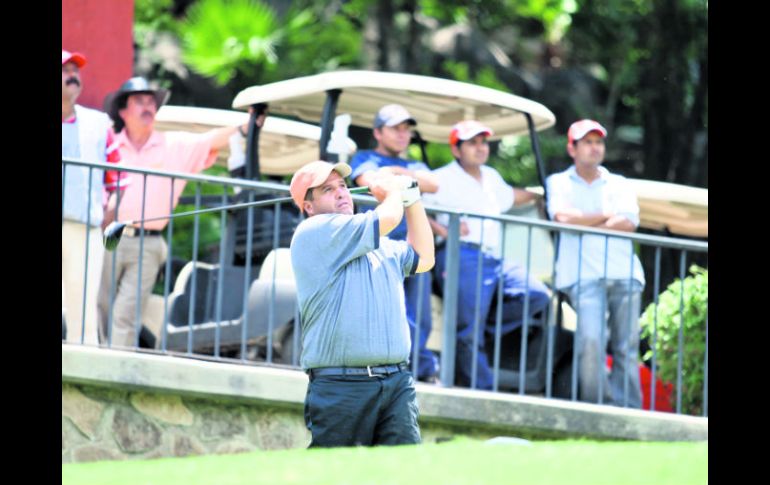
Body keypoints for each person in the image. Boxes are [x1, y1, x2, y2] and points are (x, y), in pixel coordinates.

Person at [96, 76, 257, 348]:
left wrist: (250, 121)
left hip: (148, 242)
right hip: (107, 236)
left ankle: (116, 369)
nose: (148, 107)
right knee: (98, 307)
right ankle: (95, 361)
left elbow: (212, 139)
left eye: (151, 102)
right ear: (123, 110)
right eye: (139, 101)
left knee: (126, 313)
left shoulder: (174, 145)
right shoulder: (106, 143)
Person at [289, 160, 434, 447]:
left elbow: (424, 258)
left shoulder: (376, 242)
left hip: (395, 382)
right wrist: (392, 191)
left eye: (343, 185)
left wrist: (412, 198)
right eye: (328, 190)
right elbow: (389, 217)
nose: (342, 193)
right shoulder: (314, 231)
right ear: (309, 206)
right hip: (342, 386)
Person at [423, 120, 550, 390]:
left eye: (483, 142)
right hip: (462, 255)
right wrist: (444, 230)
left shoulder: (491, 176)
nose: (481, 148)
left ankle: (477, 331)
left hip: (492, 258)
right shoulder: (442, 177)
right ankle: (481, 391)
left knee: (536, 294)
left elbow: (510, 196)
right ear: (456, 150)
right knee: (469, 331)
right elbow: (414, 204)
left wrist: (539, 195)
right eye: (472, 143)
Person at [545, 119, 645, 408]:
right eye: (586, 142)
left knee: (627, 348)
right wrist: (604, 213)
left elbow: (627, 222)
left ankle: (630, 412)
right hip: (583, 276)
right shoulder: (559, 182)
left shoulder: (620, 183)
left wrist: (583, 219)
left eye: (598, 142)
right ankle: (597, 410)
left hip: (625, 274)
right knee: (591, 342)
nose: (594, 148)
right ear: (572, 148)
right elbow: (562, 218)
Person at [349, 104, 441, 383]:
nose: (403, 135)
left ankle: (415, 369)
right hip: (378, 247)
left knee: (419, 314)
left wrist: (394, 170)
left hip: (413, 247)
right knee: (382, 308)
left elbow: (433, 183)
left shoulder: (413, 164)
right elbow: (370, 180)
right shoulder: (364, 157)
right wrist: (402, 177)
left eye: (406, 129)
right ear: (377, 132)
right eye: (395, 128)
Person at [62, 49, 126, 345]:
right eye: (65, 70)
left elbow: (118, 177)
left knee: (83, 306)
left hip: (84, 226)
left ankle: (83, 375)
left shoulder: (98, 124)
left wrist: (111, 210)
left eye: (75, 71)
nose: (72, 76)